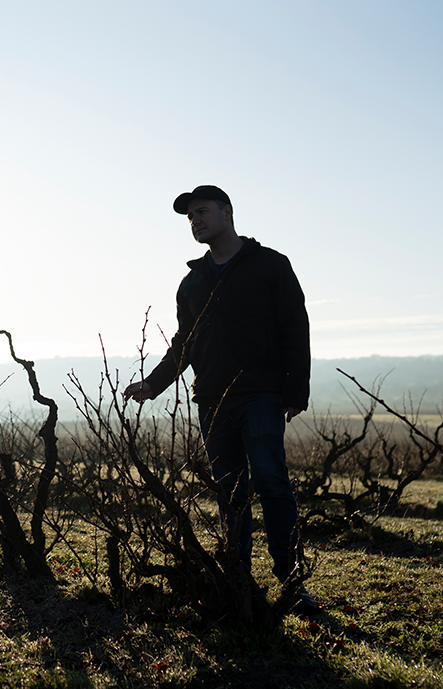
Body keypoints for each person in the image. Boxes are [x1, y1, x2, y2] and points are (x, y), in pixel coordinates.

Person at [122, 184, 319, 614]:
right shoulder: (191, 282)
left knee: (270, 480)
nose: (196, 221)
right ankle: (239, 580)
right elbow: (184, 344)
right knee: (230, 492)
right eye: (190, 216)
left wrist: (295, 389)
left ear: (227, 212)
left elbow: (294, 327)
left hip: (261, 395)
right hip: (211, 400)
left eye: (203, 211)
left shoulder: (270, 265)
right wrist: (153, 384)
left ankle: (291, 580)